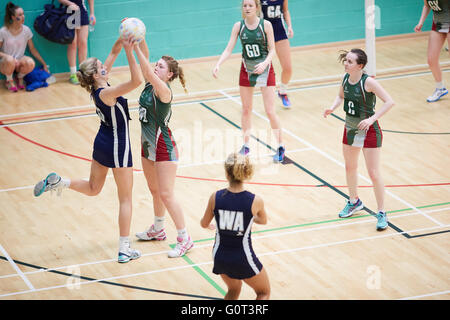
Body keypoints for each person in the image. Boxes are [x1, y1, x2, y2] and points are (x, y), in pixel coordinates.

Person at [33, 36, 144, 263]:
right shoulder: (106, 93)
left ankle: (60, 182)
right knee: (125, 199)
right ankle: (124, 249)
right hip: (117, 145)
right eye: (102, 67)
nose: (106, 67)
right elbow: (137, 81)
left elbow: (112, 53)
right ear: (95, 74)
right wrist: (131, 52)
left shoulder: (99, 87)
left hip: (102, 141)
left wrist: (124, 37)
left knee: (94, 188)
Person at [133, 38, 193, 258]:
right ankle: (158, 229)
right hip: (146, 145)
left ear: (169, 75)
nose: (155, 67)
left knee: (166, 194)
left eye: (160, 66)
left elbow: (147, 70)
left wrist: (135, 47)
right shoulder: (150, 84)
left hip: (163, 148)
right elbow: (145, 65)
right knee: (155, 191)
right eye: (156, 64)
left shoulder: (164, 91)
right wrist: (139, 39)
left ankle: (185, 238)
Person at [323, 49, 395, 231]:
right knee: (350, 167)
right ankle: (354, 201)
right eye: (346, 60)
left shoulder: (368, 82)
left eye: (350, 61)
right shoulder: (346, 78)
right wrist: (332, 108)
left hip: (369, 130)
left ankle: (381, 212)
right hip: (350, 128)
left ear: (360, 66)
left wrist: (371, 119)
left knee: (373, 173)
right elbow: (341, 96)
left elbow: (389, 101)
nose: (346, 63)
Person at [213, 0, 285, 162]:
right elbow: (229, 48)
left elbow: (273, 49)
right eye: (245, 5)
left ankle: (280, 146)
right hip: (247, 70)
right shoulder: (238, 26)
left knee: (270, 111)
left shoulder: (265, 25)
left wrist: (265, 63)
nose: (247, 8)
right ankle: (246, 146)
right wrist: (218, 64)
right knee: (246, 109)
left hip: (265, 70)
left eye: (250, 5)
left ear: (257, 7)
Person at [200, 153, 270, 300]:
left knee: (233, 290)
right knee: (263, 293)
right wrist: (249, 217)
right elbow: (263, 220)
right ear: (247, 173)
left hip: (220, 256)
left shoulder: (215, 197)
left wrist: (214, 225)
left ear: (227, 173)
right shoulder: (255, 200)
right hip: (242, 257)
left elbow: (204, 223)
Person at [0, 2, 48, 92]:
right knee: (10, 60)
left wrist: (44, 64)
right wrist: (7, 56)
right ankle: (9, 81)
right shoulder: (3, 31)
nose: (23, 17)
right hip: (6, 63)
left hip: (19, 62)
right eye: (20, 15)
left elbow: (32, 49)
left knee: (30, 62)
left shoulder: (26, 30)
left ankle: (19, 78)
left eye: (23, 14)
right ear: (13, 17)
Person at [414, 0, 449, 102]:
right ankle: (440, 88)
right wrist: (420, 22)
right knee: (431, 59)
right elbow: (426, 6)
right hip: (438, 24)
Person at [261, 0, 294, 108]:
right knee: (265, 70)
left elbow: (285, 11)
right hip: (264, 34)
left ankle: (282, 92)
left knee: (288, 68)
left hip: (280, 33)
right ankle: (250, 98)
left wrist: (289, 26)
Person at [58, 0, 95, 85]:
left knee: (83, 43)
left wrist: (92, 13)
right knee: (72, 44)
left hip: (81, 11)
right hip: (70, 12)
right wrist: (70, 3)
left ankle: (83, 73)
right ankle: (73, 74)